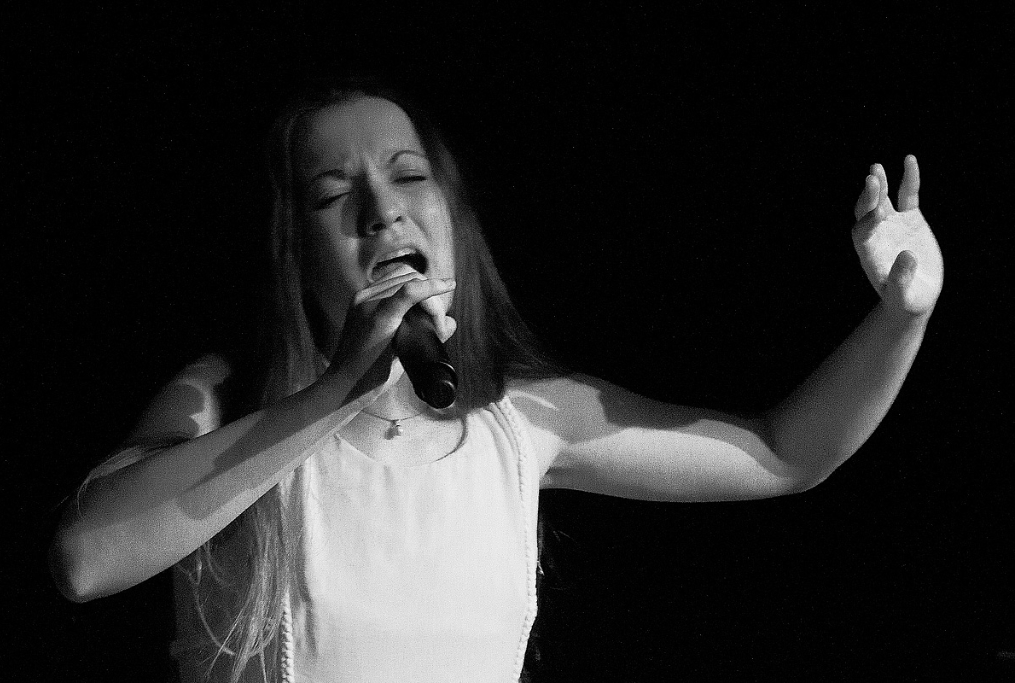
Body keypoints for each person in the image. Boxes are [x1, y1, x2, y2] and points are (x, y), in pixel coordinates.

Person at [48, 81, 944, 683]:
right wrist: (334, 395)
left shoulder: (520, 420)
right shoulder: (223, 396)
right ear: (292, 251)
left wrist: (903, 316)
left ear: (453, 216)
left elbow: (787, 453)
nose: (383, 209)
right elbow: (85, 559)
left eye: (408, 176)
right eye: (331, 194)